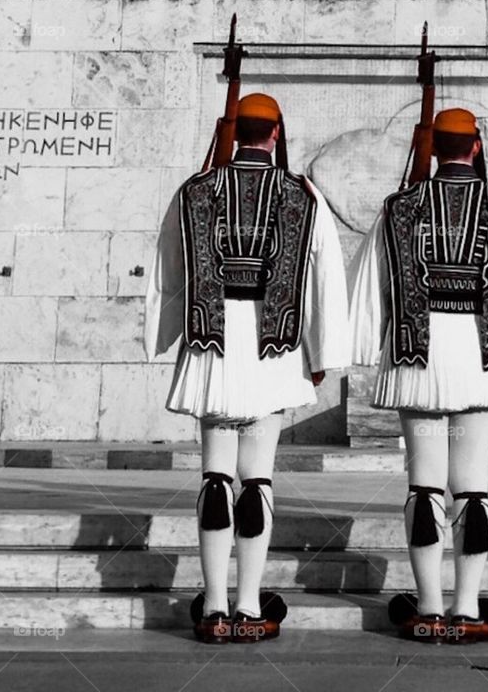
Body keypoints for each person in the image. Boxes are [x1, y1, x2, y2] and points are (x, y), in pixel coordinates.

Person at [349, 107, 488, 644]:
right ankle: (468, 608)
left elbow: (370, 287)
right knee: (472, 488)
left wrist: (362, 348)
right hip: (482, 358)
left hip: (416, 358)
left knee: (424, 484)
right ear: (476, 147)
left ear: (433, 149)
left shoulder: (398, 208)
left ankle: (426, 608)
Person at [145, 93, 349, 643]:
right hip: (273, 353)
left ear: (235, 135)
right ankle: (251, 604)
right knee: (257, 480)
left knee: (215, 478)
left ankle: (212, 608)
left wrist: (162, 338)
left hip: (212, 349)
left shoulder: (195, 191)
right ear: (277, 133)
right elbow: (326, 276)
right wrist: (323, 354)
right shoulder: (303, 198)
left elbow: (169, 266)